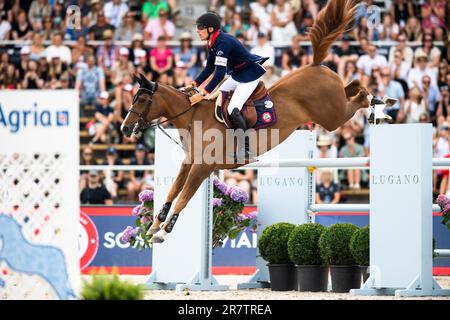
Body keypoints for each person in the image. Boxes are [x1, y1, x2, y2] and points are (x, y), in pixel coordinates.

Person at [189, 12, 268, 161]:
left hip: (249, 75)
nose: (197, 31)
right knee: (217, 97)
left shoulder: (222, 43)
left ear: (211, 29)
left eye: (200, 27)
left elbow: (219, 73)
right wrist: (193, 84)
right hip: (237, 75)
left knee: (233, 108)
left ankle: (246, 150)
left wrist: (202, 93)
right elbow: (209, 68)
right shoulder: (212, 42)